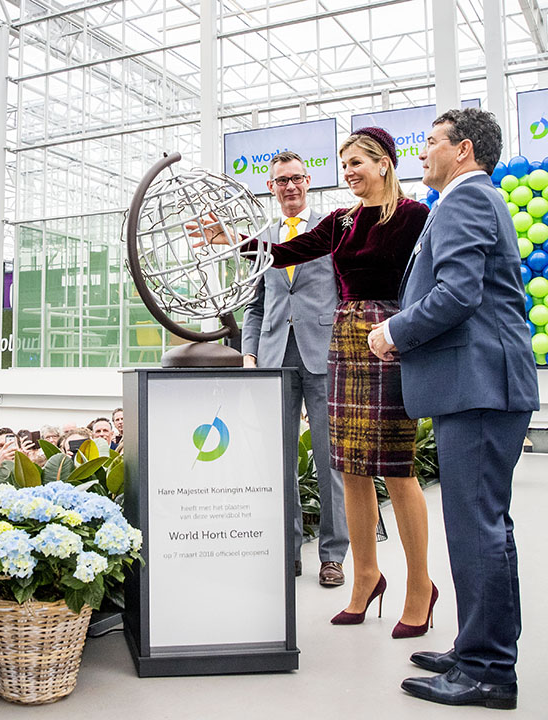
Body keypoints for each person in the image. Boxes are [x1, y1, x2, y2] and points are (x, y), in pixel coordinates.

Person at [203, 127, 433, 634]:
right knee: (348, 465)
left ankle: (420, 586)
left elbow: (431, 282)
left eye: (356, 163)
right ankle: (365, 576)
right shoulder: (342, 220)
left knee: (395, 468)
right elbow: (287, 252)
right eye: (343, 164)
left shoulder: (417, 216)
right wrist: (233, 241)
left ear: (385, 164)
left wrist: (407, 332)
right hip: (345, 341)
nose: (348, 172)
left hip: (391, 338)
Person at [368, 109, 538, 709]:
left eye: (432, 143)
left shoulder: (467, 201)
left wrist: (393, 331)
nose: (423, 154)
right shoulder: (472, 201)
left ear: (463, 151)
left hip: (481, 386)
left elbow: (458, 293)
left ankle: (488, 670)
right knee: (483, 526)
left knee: (477, 529)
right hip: (480, 384)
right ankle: (478, 649)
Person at [241, 150, 349, 587]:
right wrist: (249, 355)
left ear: (309, 182)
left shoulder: (332, 232)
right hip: (274, 359)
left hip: (322, 357)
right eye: (281, 180)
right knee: (278, 463)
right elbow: (255, 306)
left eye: (297, 179)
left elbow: (344, 295)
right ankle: (288, 551)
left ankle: (332, 555)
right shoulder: (260, 241)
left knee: (330, 461)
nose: (290, 187)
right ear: (271, 187)